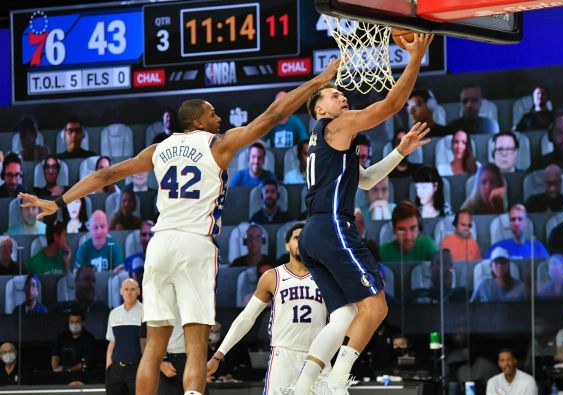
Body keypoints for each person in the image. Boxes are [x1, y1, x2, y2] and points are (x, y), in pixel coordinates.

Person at [19, 58, 341, 395]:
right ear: (199, 121)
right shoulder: (217, 144)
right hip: (195, 243)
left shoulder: (159, 149)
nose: (220, 118)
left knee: (155, 345)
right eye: (214, 113)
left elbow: (105, 175)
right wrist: (319, 79)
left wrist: (57, 202)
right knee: (196, 343)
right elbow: (273, 116)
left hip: (159, 245)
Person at [290, 33, 432, 395]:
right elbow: (391, 104)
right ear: (321, 109)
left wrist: (400, 151)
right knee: (377, 307)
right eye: (335, 95)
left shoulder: (324, 141)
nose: (343, 97)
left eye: (343, 94)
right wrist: (415, 57)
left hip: (312, 235)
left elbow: (365, 181)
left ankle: (303, 387)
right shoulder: (338, 125)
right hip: (333, 226)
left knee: (344, 316)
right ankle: (336, 383)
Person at [207, 223, 328, 394]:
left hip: (320, 355)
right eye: (296, 238)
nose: (302, 242)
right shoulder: (273, 277)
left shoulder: (326, 277)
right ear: (287, 245)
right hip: (284, 357)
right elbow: (246, 318)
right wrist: (218, 355)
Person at [106, 278, 143, 395]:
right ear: (121, 291)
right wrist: (109, 366)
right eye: (126, 289)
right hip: (116, 370)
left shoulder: (145, 311)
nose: (129, 292)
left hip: (137, 368)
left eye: (133, 289)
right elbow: (112, 341)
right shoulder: (114, 313)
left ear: (139, 291)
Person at [484, 204, 549, 260]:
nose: (516, 223)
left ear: (526, 222)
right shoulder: (498, 247)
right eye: (513, 219)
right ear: (509, 223)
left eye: (520, 219)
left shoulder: (538, 247)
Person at [124, 220, 154, 286]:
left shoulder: (162, 259)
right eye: (144, 234)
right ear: (140, 238)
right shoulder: (132, 260)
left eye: (150, 235)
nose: (147, 238)